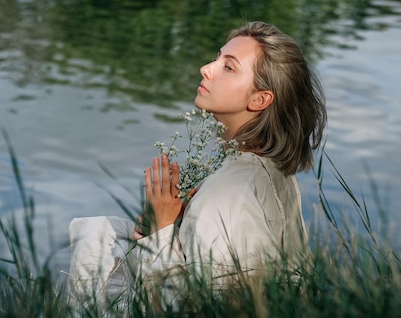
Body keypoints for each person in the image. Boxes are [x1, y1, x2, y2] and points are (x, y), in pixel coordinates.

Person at [68, 21, 327, 309]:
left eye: (228, 67)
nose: (206, 68)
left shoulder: (227, 191)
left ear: (260, 99)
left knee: (99, 241)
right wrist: (173, 222)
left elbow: (201, 307)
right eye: (217, 57)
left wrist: (161, 231)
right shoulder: (272, 171)